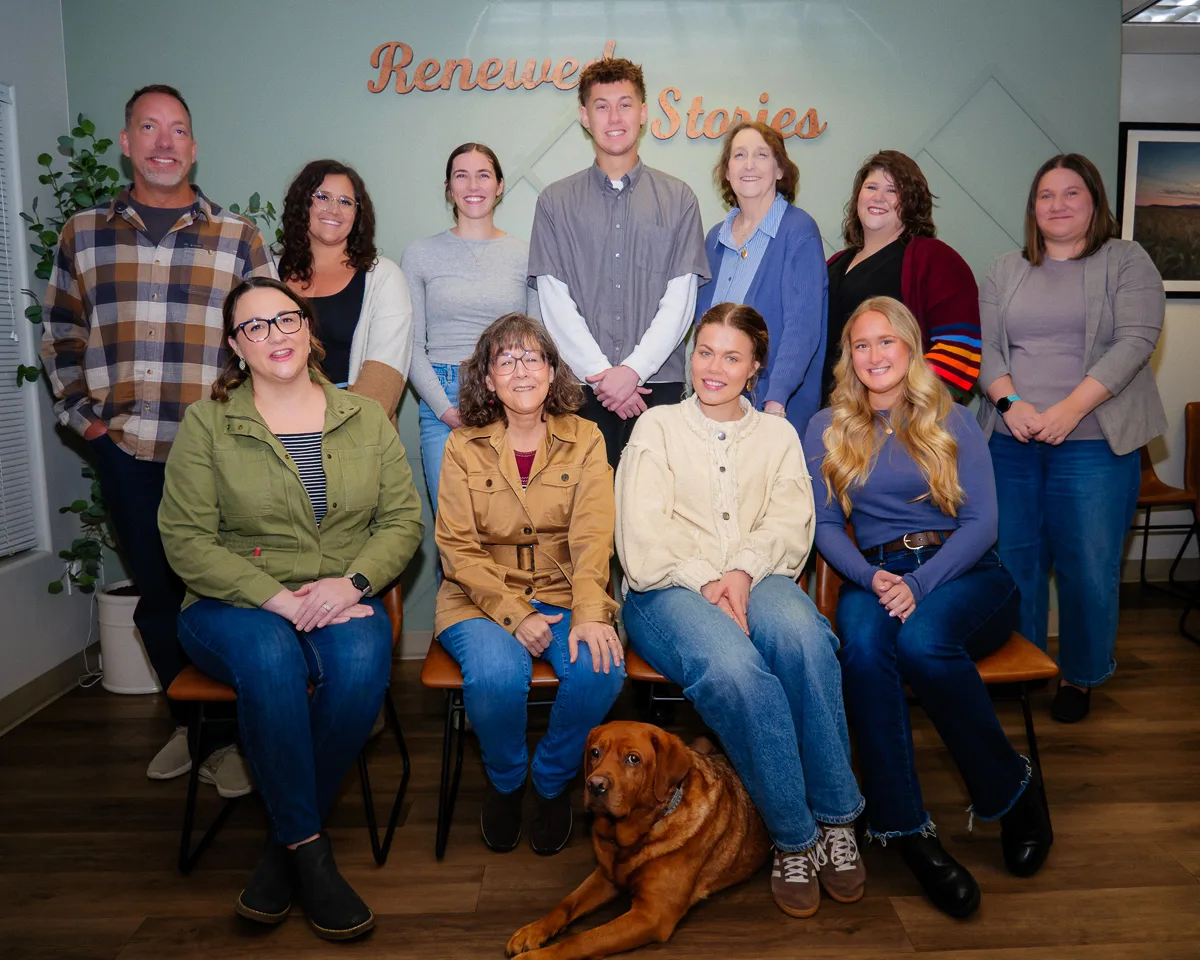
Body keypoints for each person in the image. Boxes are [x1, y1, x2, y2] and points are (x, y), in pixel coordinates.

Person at [158, 277, 423, 940]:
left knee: (364, 664)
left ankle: (284, 846)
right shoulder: (207, 423)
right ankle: (311, 850)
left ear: (309, 329)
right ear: (235, 347)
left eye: (286, 320)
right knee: (272, 658)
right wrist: (276, 599)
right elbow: (185, 540)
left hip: (339, 598)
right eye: (255, 327)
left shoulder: (364, 416)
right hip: (233, 602)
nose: (274, 335)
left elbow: (402, 521)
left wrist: (352, 584)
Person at [40, 83, 275, 793]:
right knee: (159, 598)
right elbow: (59, 334)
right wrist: (91, 427)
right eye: (150, 128)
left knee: (228, 596)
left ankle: (229, 737)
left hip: (219, 454)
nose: (164, 142)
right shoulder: (83, 234)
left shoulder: (238, 238)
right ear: (127, 141)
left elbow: (266, 340)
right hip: (130, 452)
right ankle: (193, 725)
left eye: (177, 130)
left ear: (195, 148)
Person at [805, 296, 1053, 919]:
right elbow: (827, 526)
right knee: (861, 650)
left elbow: (983, 522)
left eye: (886, 341)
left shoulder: (952, 415)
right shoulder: (826, 425)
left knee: (922, 644)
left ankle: (1011, 789)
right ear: (848, 357)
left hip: (965, 571)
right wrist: (874, 576)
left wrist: (921, 584)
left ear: (911, 348)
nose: (874, 355)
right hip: (876, 574)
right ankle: (905, 828)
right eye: (861, 345)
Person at [616, 302, 865, 920]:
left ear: (755, 368)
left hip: (761, 572)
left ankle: (837, 818)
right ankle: (793, 835)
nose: (714, 368)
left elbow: (791, 520)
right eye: (705, 352)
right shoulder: (656, 427)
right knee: (732, 669)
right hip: (665, 587)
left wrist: (741, 571)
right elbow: (643, 539)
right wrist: (709, 580)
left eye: (732, 356)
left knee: (806, 640)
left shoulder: (779, 434)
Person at [979, 153, 1167, 724]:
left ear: (1094, 203)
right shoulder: (1005, 269)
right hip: (1012, 440)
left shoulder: (1126, 261)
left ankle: (1082, 676)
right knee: (1014, 563)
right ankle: (1025, 665)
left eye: (1071, 194)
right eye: (1045, 196)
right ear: (1032, 208)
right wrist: (1011, 404)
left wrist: (1066, 411)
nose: (1057, 205)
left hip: (1092, 442)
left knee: (1088, 564)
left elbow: (1136, 341)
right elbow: (985, 349)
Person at [435, 313, 625, 856]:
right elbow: (457, 548)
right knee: (495, 677)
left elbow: (594, 534)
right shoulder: (462, 445)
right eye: (505, 359)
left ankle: (548, 781)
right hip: (480, 596)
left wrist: (589, 611)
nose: (521, 370)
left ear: (551, 370)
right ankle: (505, 779)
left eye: (532, 357)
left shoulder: (586, 437)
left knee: (601, 668)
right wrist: (516, 614)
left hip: (567, 592)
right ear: (488, 379)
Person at [528, 56, 710, 469]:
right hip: (579, 387)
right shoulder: (555, 202)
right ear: (584, 116)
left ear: (643, 113)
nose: (614, 116)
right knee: (586, 518)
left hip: (656, 386)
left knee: (655, 517)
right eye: (602, 105)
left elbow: (680, 300)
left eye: (625, 104)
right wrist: (601, 373)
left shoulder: (679, 198)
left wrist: (633, 371)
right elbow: (553, 299)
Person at [404, 143, 539, 510]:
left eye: (483, 174)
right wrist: (445, 411)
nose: (472, 185)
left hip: (510, 395)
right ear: (449, 188)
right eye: (461, 175)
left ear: (499, 185)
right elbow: (412, 347)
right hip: (442, 399)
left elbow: (537, 343)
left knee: (509, 524)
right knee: (454, 533)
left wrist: (518, 399)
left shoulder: (527, 255)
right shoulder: (420, 254)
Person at [695, 121, 827, 436]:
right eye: (739, 155)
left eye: (762, 155)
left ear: (780, 169)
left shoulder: (798, 231)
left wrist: (776, 398)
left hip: (771, 409)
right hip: (715, 405)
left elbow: (802, 327)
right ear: (727, 172)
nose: (749, 164)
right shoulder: (716, 237)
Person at [824, 150, 980, 403]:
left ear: (911, 201)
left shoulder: (935, 259)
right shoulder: (834, 264)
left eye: (893, 190)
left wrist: (908, 407)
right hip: (831, 415)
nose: (878, 197)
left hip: (899, 420)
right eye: (871, 187)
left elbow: (960, 347)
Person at [278, 159, 412, 421]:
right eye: (322, 197)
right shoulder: (268, 271)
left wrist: (344, 434)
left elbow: (386, 374)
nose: (334, 210)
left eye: (346, 202)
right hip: (277, 426)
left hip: (356, 428)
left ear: (357, 213)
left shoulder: (384, 278)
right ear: (302, 203)